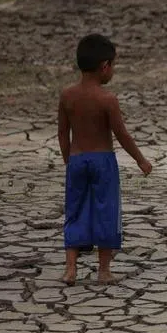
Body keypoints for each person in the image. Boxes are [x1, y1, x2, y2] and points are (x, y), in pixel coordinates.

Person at [57, 34, 152, 285]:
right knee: (106, 212)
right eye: (114, 65)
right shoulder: (107, 99)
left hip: (77, 161)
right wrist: (141, 160)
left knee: (75, 211)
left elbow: (62, 134)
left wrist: (69, 160)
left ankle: (70, 269)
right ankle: (104, 271)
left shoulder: (67, 95)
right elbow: (121, 134)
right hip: (102, 162)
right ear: (105, 66)